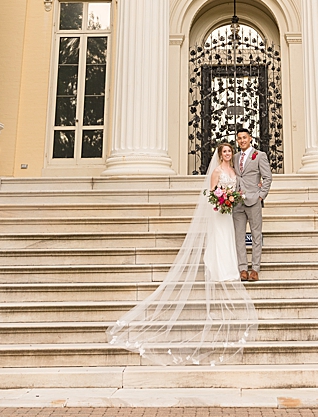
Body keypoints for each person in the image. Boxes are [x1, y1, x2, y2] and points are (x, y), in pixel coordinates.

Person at [107, 139, 256, 364]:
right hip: (219, 210)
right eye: (224, 151)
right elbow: (212, 192)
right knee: (219, 238)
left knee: (229, 238)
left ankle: (229, 266)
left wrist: (231, 199)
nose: (227, 154)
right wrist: (222, 200)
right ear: (219, 153)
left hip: (229, 211)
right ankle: (217, 266)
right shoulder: (216, 171)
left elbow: (235, 188)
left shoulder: (234, 170)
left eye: (229, 151)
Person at [232, 127, 271, 282]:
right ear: (237, 140)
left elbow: (267, 177)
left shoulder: (259, 155)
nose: (242, 140)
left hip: (254, 200)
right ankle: (242, 269)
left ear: (250, 139)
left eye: (244, 137)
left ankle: (255, 269)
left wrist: (261, 196)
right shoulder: (234, 157)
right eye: (239, 138)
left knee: (256, 236)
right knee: (239, 237)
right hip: (237, 202)